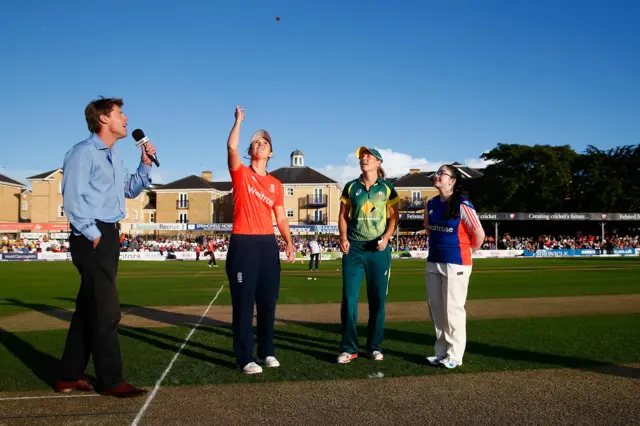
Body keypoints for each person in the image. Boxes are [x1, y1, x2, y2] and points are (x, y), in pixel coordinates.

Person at [56, 97, 155, 397]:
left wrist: (145, 164)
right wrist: (92, 232)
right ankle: (112, 381)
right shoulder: (82, 153)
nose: (126, 118)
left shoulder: (115, 155)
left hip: (110, 235)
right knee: (107, 311)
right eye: (120, 113)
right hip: (93, 236)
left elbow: (129, 188)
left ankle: (69, 376)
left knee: (89, 309)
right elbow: (72, 198)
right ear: (103, 119)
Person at [226, 105, 295, 374]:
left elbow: (281, 217)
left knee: (268, 302)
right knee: (244, 303)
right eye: (256, 142)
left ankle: (267, 350)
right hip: (243, 243)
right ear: (250, 150)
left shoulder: (276, 184)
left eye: (265, 142)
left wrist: (288, 242)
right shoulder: (241, 173)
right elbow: (231, 148)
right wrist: (239, 121)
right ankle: (245, 357)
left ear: (271, 152)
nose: (261, 144)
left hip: (268, 245)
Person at [337, 146, 399, 364]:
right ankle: (349, 348)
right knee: (349, 298)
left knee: (378, 300)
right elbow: (343, 215)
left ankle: (374, 346)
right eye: (362, 157)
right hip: (354, 248)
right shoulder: (351, 187)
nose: (364, 159)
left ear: (378, 163)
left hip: (378, 249)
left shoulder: (388, 188)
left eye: (368, 156)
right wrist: (343, 237)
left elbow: (394, 217)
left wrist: (387, 237)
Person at [424, 164, 485, 369]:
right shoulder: (430, 203)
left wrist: (468, 252)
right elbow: (429, 230)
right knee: (436, 309)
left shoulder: (463, 204)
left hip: (456, 262)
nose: (437, 175)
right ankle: (440, 352)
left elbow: (479, 235)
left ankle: (455, 355)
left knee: (453, 310)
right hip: (434, 260)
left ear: (452, 180)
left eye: (443, 173)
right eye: (437, 172)